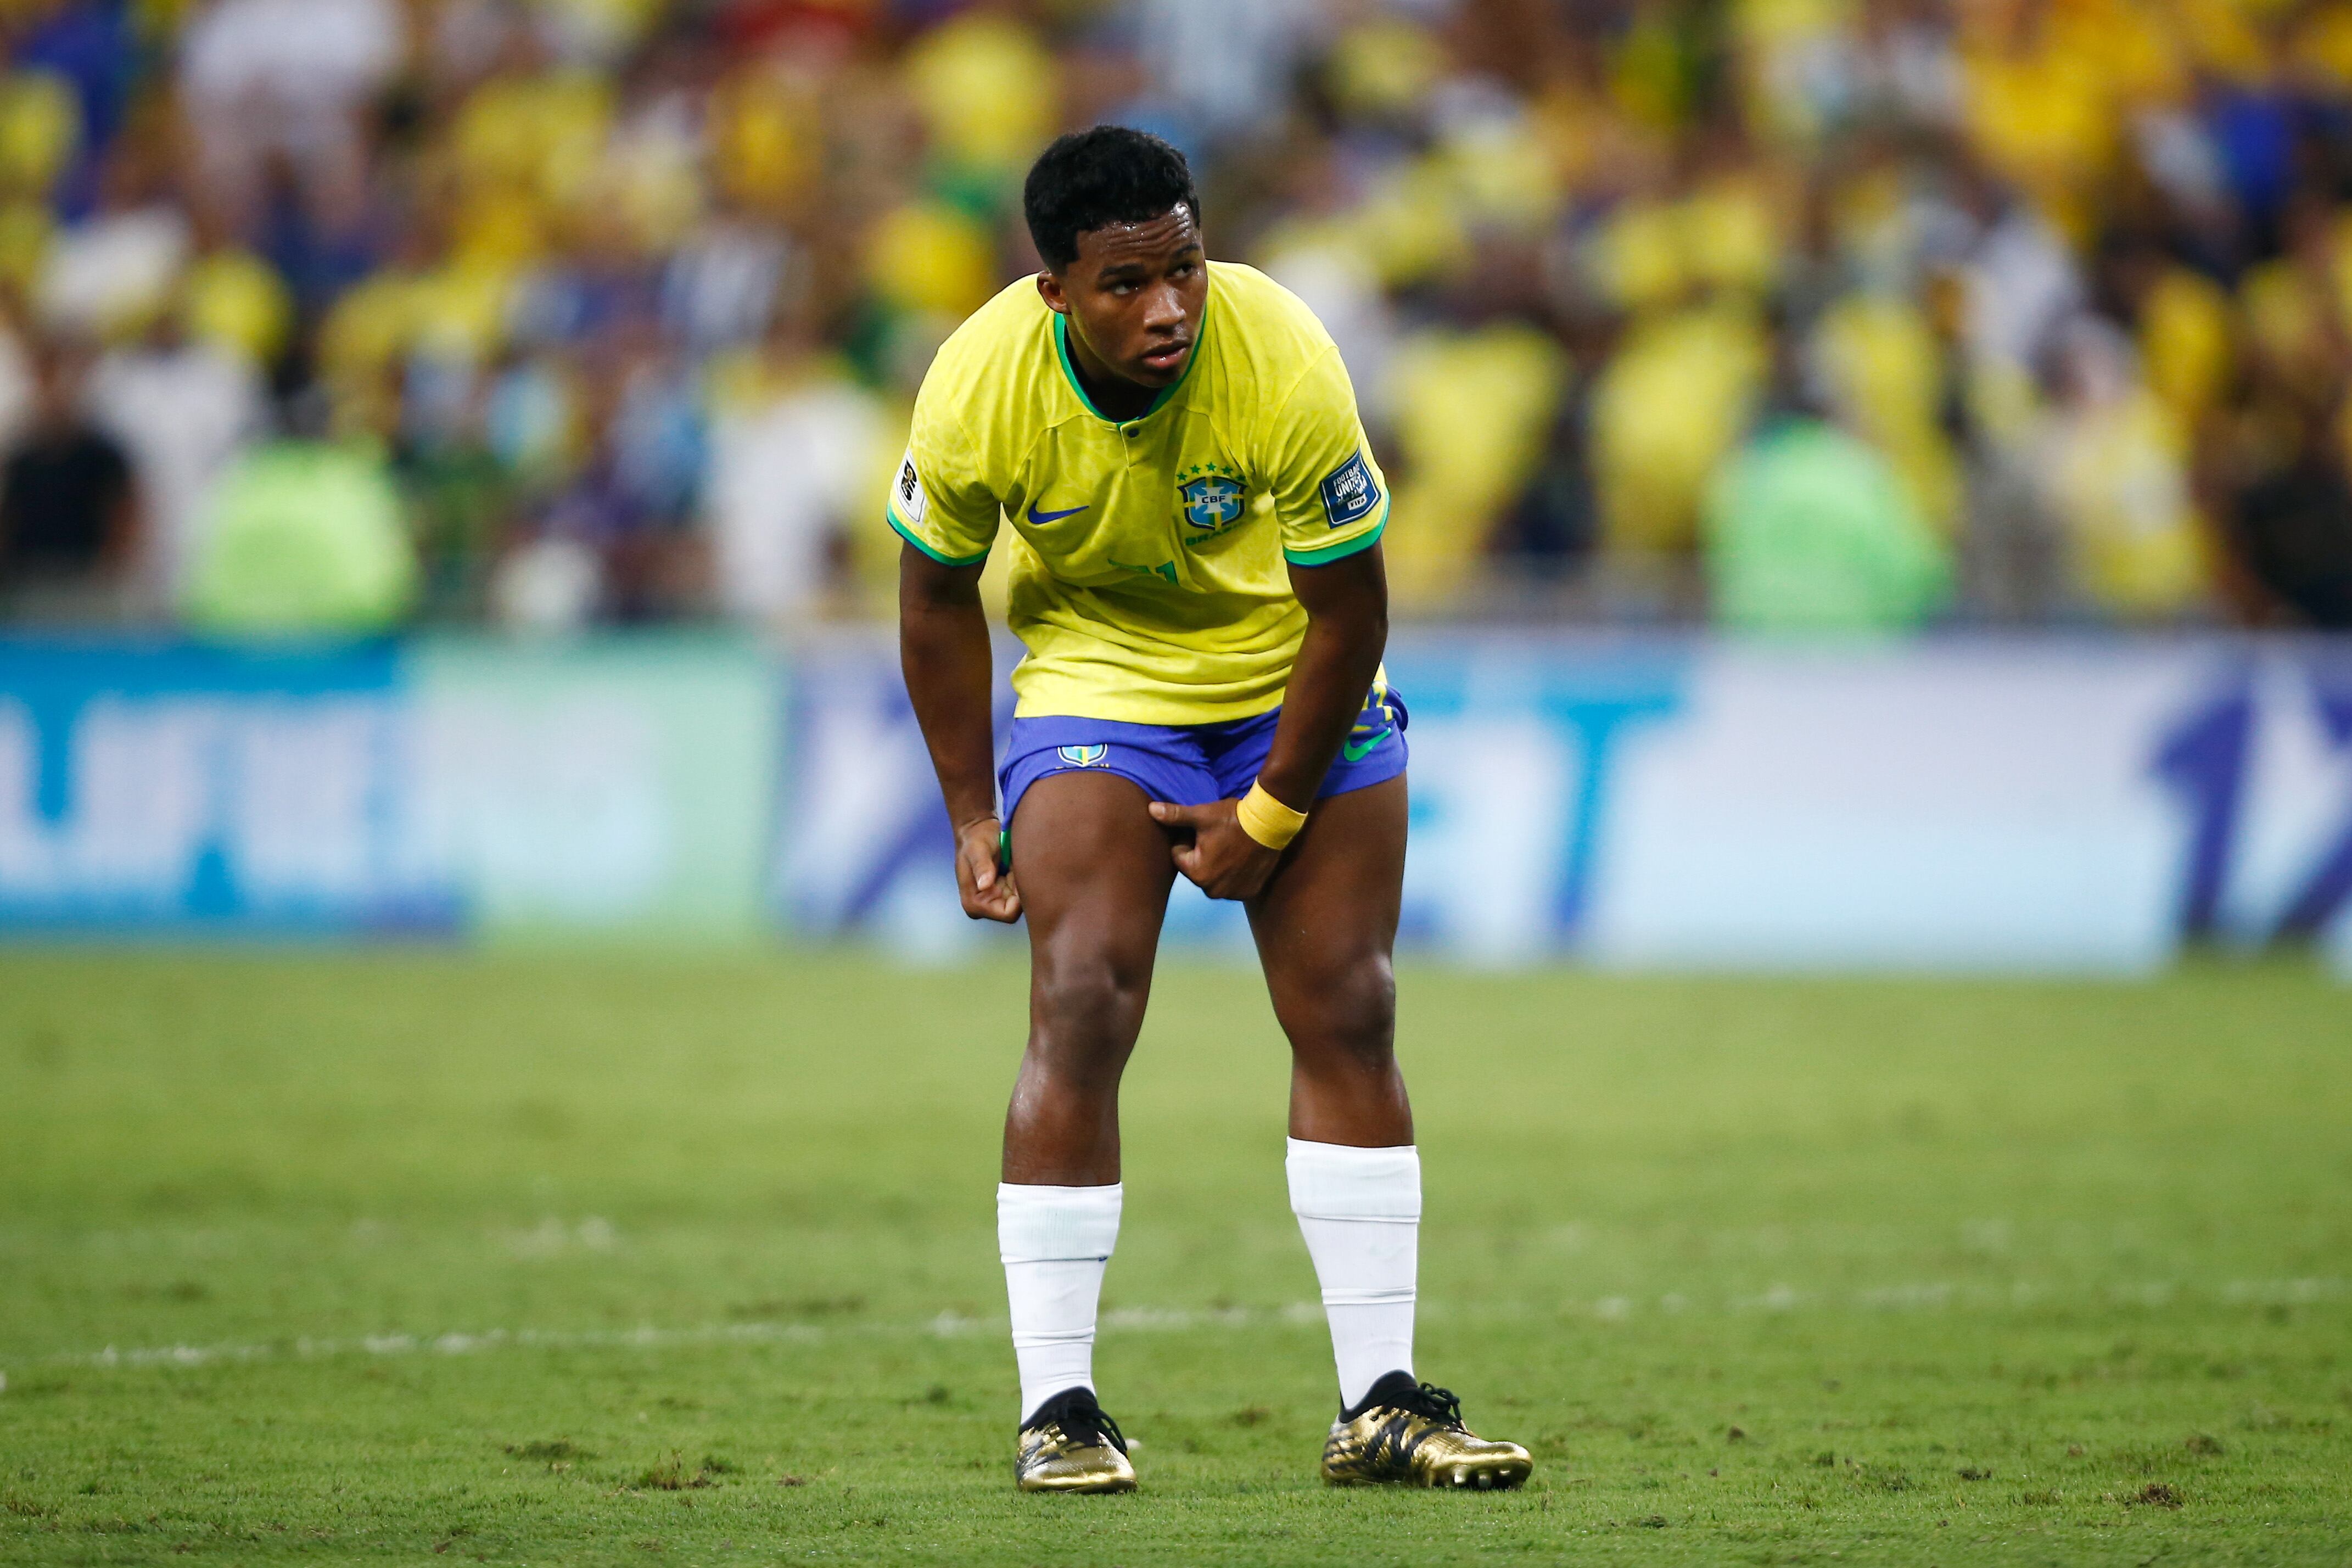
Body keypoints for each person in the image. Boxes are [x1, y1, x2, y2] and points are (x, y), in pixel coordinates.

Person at [892, 126, 1532, 1496]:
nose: (1169, 307)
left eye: (1182, 267)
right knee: (1080, 998)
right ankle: (1057, 1408)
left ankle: (1382, 1408)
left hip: (1284, 677)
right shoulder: (979, 384)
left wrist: (1275, 814)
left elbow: (1353, 609)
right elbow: (935, 596)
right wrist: (964, 808)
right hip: (1096, 689)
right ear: (1056, 289)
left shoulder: (1284, 350)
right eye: (1126, 284)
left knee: (1351, 1004)